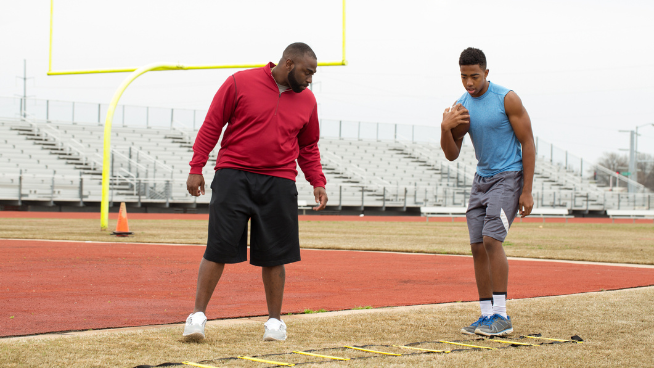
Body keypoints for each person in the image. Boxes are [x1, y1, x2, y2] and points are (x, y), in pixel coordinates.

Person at [183, 42, 328, 342]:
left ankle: (274, 322)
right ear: (288, 64)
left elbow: (308, 146)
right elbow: (212, 124)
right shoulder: (239, 82)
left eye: (313, 74)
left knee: (275, 255)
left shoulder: (308, 101)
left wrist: (317, 180)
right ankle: (197, 316)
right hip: (233, 176)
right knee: (218, 248)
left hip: (279, 182)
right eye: (307, 72)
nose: (310, 79)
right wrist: (196, 166)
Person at [440, 47, 535, 336]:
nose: (469, 83)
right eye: (463, 77)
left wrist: (527, 190)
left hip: (508, 177)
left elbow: (528, 142)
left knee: (492, 240)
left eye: (475, 76)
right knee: (477, 246)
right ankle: (485, 316)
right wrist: (445, 128)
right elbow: (452, 154)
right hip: (481, 179)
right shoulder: (461, 106)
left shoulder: (507, 99)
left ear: (487, 73)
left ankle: (502, 315)